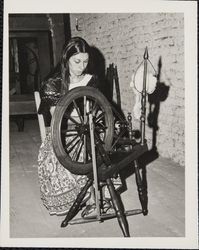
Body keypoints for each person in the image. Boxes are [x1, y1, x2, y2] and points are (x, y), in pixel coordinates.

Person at [37, 37, 121, 216]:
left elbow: (100, 109)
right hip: (64, 132)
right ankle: (81, 196)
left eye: (85, 61)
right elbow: (59, 118)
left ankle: (98, 197)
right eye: (77, 61)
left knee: (102, 145)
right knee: (71, 151)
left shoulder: (93, 81)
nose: (81, 66)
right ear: (66, 59)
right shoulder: (53, 83)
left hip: (89, 128)